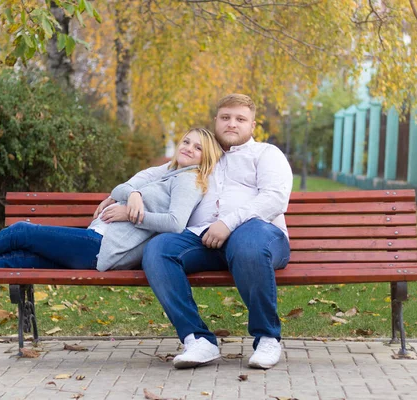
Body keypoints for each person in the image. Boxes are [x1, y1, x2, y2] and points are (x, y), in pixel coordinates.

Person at [96, 94, 293, 370]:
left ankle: (267, 338)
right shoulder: (205, 156)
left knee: (247, 244)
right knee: (159, 249)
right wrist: (130, 193)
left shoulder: (266, 154)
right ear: (216, 120)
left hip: (260, 235)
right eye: (225, 117)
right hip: (204, 238)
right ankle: (198, 339)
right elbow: (152, 175)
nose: (232, 124)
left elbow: (274, 199)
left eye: (240, 119)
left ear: (252, 124)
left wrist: (228, 223)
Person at [0, 128, 223, 289]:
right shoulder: (168, 170)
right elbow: (121, 187)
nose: (189, 148)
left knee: (22, 231)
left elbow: (176, 222)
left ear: (205, 156)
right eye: (186, 141)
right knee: (19, 259)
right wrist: (133, 193)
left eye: (198, 146)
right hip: (94, 238)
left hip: (103, 250)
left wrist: (130, 212)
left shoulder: (190, 180)